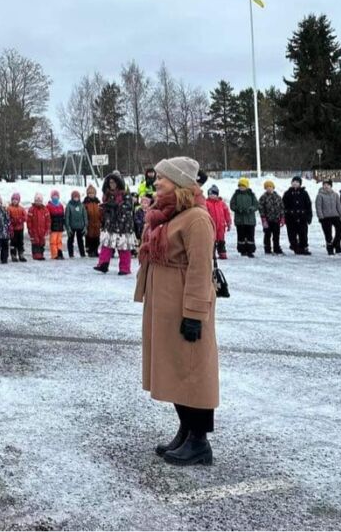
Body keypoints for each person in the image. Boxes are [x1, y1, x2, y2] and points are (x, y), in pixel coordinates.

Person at [134, 156, 217, 467]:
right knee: (175, 370)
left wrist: (194, 314)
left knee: (192, 372)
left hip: (185, 306)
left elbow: (200, 270)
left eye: (162, 179)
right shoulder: (166, 215)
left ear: (179, 182)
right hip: (164, 306)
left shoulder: (196, 219)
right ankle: (185, 431)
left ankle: (200, 442)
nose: (157, 182)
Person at [95, 171, 137, 275]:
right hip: (110, 224)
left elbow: (128, 207)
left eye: (114, 182)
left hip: (124, 225)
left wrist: (116, 207)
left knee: (123, 248)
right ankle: (103, 264)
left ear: (118, 183)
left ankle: (125, 268)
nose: (112, 184)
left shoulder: (126, 195)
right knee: (106, 245)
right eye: (110, 182)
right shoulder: (107, 195)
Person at [229, 178, 259, 257]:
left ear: (247, 186)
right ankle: (242, 250)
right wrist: (238, 209)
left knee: (250, 235)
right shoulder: (236, 195)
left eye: (243, 186)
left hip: (250, 220)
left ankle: (250, 250)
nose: (241, 187)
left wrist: (250, 209)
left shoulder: (251, 194)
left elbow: (256, 205)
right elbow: (232, 205)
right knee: (241, 235)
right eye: (240, 186)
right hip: (240, 220)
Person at [282, 176, 313, 255]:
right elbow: (283, 205)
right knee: (292, 234)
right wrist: (284, 217)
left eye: (297, 182)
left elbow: (308, 205)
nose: (295, 183)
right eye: (294, 182)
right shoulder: (287, 193)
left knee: (303, 233)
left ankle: (303, 247)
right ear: (291, 183)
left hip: (302, 217)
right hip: (290, 218)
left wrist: (309, 217)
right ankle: (295, 246)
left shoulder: (304, 193)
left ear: (300, 184)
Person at [314, 179, 341, 255]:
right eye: (324, 185)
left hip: (335, 216)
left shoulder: (335, 195)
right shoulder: (320, 195)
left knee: (340, 230)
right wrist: (321, 217)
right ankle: (329, 248)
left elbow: (339, 206)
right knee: (328, 234)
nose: (326, 186)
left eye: (328, 185)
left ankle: (335, 245)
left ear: (331, 186)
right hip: (325, 217)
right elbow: (318, 207)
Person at [204, 185, 232, 259]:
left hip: (221, 226)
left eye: (213, 194)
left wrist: (228, 223)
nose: (211, 196)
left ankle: (222, 252)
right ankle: (211, 253)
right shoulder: (206, 203)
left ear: (217, 195)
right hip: (210, 225)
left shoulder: (222, 204)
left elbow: (227, 213)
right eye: (210, 194)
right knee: (211, 240)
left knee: (221, 240)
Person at [258, 180, 285, 255]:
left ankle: (277, 248)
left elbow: (282, 207)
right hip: (267, 220)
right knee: (267, 235)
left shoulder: (278, 197)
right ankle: (267, 249)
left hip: (276, 220)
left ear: (273, 187)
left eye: (270, 187)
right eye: (267, 187)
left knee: (276, 235)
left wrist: (282, 217)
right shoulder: (263, 197)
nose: (269, 188)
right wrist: (263, 218)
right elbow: (261, 208)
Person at [27, 193, 51, 261]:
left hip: (42, 230)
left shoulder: (45, 210)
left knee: (42, 242)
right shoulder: (32, 209)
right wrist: (30, 229)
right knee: (35, 242)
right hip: (34, 230)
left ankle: (41, 253)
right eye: (37, 201)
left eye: (40, 201)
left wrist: (47, 229)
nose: (38, 202)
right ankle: (36, 254)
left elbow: (48, 220)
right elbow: (29, 220)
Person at [65, 190, 88, 258]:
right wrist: (68, 227)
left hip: (80, 226)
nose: (76, 198)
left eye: (77, 197)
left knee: (80, 241)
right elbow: (67, 217)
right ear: (72, 197)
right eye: (74, 197)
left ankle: (82, 253)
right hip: (72, 226)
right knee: (70, 240)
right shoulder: (69, 205)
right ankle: (71, 254)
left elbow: (85, 216)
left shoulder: (81, 205)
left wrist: (85, 226)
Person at [82, 185, 101, 259]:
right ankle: (90, 250)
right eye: (89, 193)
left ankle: (95, 250)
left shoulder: (97, 203)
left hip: (97, 223)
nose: (91, 195)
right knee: (90, 237)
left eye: (92, 193)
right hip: (89, 223)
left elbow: (100, 212)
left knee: (96, 238)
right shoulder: (85, 203)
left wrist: (101, 221)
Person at [8, 192, 28, 262]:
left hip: (20, 229)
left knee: (20, 242)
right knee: (13, 242)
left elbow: (25, 217)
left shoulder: (21, 208)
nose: (14, 201)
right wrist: (12, 221)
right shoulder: (9, 208)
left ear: (18, 201)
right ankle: (13, 255)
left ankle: (21, 254)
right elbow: (7, 218)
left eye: (16, 200)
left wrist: (21, 219)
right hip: (13, 229)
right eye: (13, 199)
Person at [47, 190, 66, 260]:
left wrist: (64, 225)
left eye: (56, 196)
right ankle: (54, 254)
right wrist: (49, 227)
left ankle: (59, 252)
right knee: (53, 241)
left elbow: (63, 216)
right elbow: (48, 217)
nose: (55, 197)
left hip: (60, 227)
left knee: (59, 241)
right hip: (53, 227)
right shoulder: (49, 206)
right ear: (51, 197)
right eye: (54, 196)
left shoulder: (61, 206)